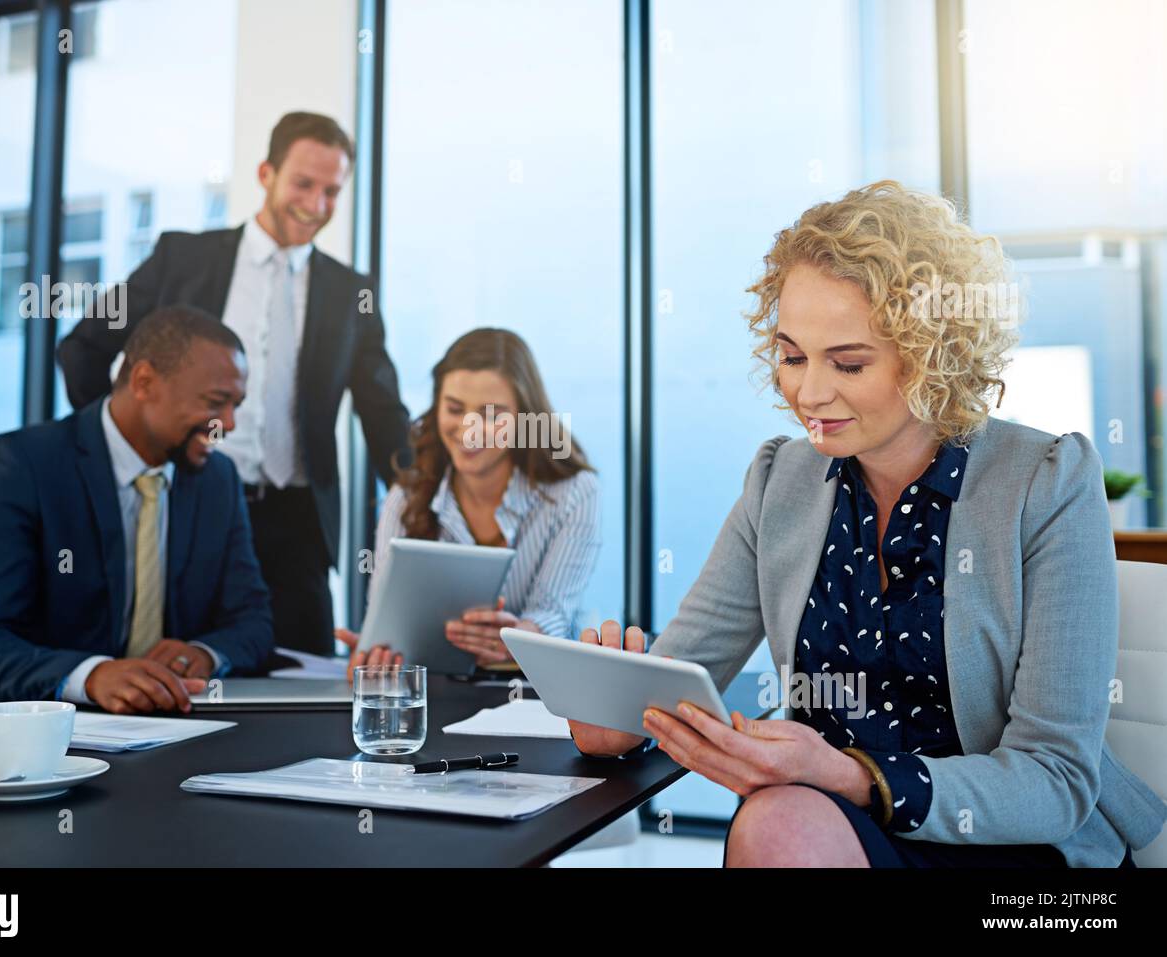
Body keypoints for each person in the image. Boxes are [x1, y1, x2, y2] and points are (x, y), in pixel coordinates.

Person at [569, 181, 1167, 868]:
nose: (809, 393)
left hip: (1010, 840)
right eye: (793, 356)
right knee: (781, 824)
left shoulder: (1046, 480)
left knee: (785, 822)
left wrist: (849, 773)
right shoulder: (779, 481)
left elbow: (1054, 779)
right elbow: (681, 675)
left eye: (847, 362)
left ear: (931, 352)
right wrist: (617, 717)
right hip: (828, 828)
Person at [56, 111, 410, 654]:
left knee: (305, 677)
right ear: (266, 174)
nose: (317, 205)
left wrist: (431, 488)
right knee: (184, 664)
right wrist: (124, 449)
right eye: (304, 184)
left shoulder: (350, 292)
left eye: (332, 192)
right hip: (189, 496)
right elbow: (84, 348)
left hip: (297, 522)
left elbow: (383, 411)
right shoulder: (184, 258)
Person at [0, 306, 272, 713]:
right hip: (29, 736)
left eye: (236, 406)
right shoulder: (23, 465)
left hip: (163, 732)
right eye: (216, 402)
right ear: (143, 382)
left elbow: (254, 621)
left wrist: (205, 653)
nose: (228, 424)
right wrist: (92, 676)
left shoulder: (217, 480)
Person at [343, 328, 601, 678]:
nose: (469, 429)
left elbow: (553, 612)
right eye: (454, 409)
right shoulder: (405, 498)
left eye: (491, 414)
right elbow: (387, 619)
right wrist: (375, 655)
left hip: (539, 693)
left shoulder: (574, 493)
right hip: (435, 695)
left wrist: (517, 638)